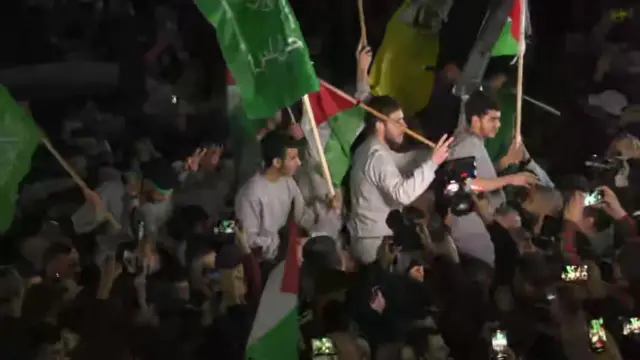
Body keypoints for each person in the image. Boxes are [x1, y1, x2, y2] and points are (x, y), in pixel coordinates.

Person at [348, 95, 453, 264]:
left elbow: (402, 161)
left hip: (374, 236)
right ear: (379, 125)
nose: (404, 126)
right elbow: (403, 193)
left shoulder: (372, 148)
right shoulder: (376, 156)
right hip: (375, 243)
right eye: (398, 121)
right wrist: (433, 162)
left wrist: (432, 154)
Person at [447, 90, 538, 268]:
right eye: (492, 119)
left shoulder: (473, 141)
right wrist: (511, 179)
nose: (498, 125)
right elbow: (467, 183)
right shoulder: (466, 144)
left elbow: (479, 175)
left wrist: (505, 162)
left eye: (498, 119)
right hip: (474, 231)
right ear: (475, 120)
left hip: (484, 224)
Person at [235, 131, 339, 264]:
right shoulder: (250, 193)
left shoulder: (288, 182)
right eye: (293, 158)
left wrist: (328, 208)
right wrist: (281, 243)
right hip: (264, 263)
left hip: (286, 255)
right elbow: (247, 240)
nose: (299, 162)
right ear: (277, 162)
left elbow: (302, 216)